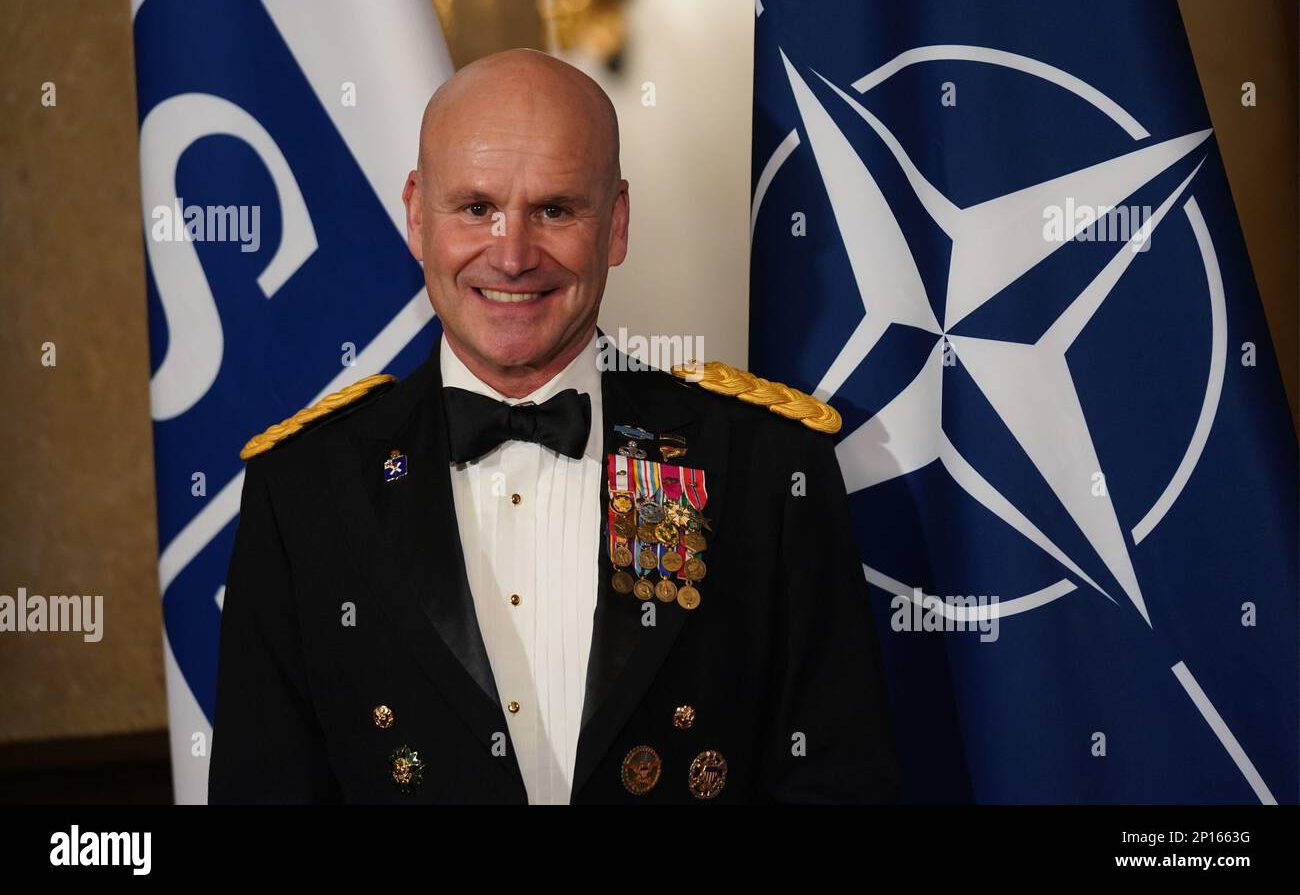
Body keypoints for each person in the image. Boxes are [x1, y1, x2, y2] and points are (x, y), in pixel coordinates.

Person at [208, 49, 899, 804]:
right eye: (476, 207)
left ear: (617, 224)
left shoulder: (766, 467)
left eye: (555, 210)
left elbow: (838, 785)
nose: (511, 255)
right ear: (416, 215)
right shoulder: (306, 488)